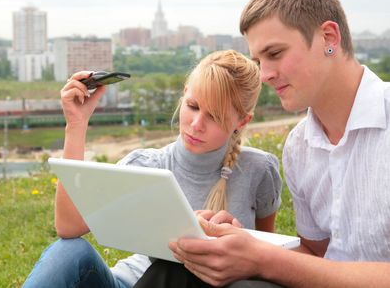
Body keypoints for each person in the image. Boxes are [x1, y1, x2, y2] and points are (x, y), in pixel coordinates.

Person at [134, 0, 390, 288]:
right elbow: (318, 257)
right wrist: (245, 242)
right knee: (180, 268)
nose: (264, 75)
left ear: (328, 38)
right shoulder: (300, 146)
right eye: (258, 60)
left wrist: (263, 258)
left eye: (275, 54)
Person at [22, 50, 283, 288]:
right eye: (192, 106)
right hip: (132, 283)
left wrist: (235, 239)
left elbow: (265, 259)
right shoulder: (145, 165)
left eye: (214, 116)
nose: (196, 124)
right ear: (184, 94)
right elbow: (69, 228)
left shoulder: (259, 170)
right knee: (69, 252)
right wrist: (76, 125)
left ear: (242, 120)